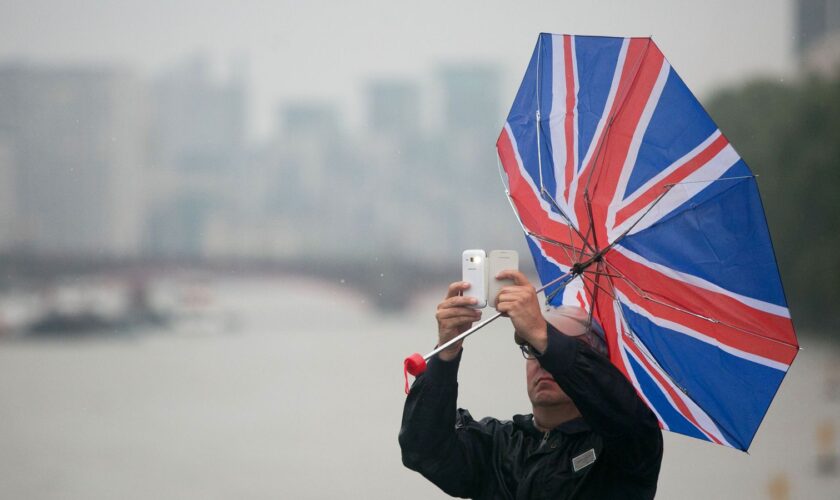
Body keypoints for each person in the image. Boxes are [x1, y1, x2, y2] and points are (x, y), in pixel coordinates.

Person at [399, 270, 663, 499]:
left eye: (547, 350)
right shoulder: (498, 445)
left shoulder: (625, 447)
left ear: (595, 365)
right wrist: (446, 354)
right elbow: (423, 449)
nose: (542, 361)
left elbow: (628, 418)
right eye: (531, 348)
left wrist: (542, 336)